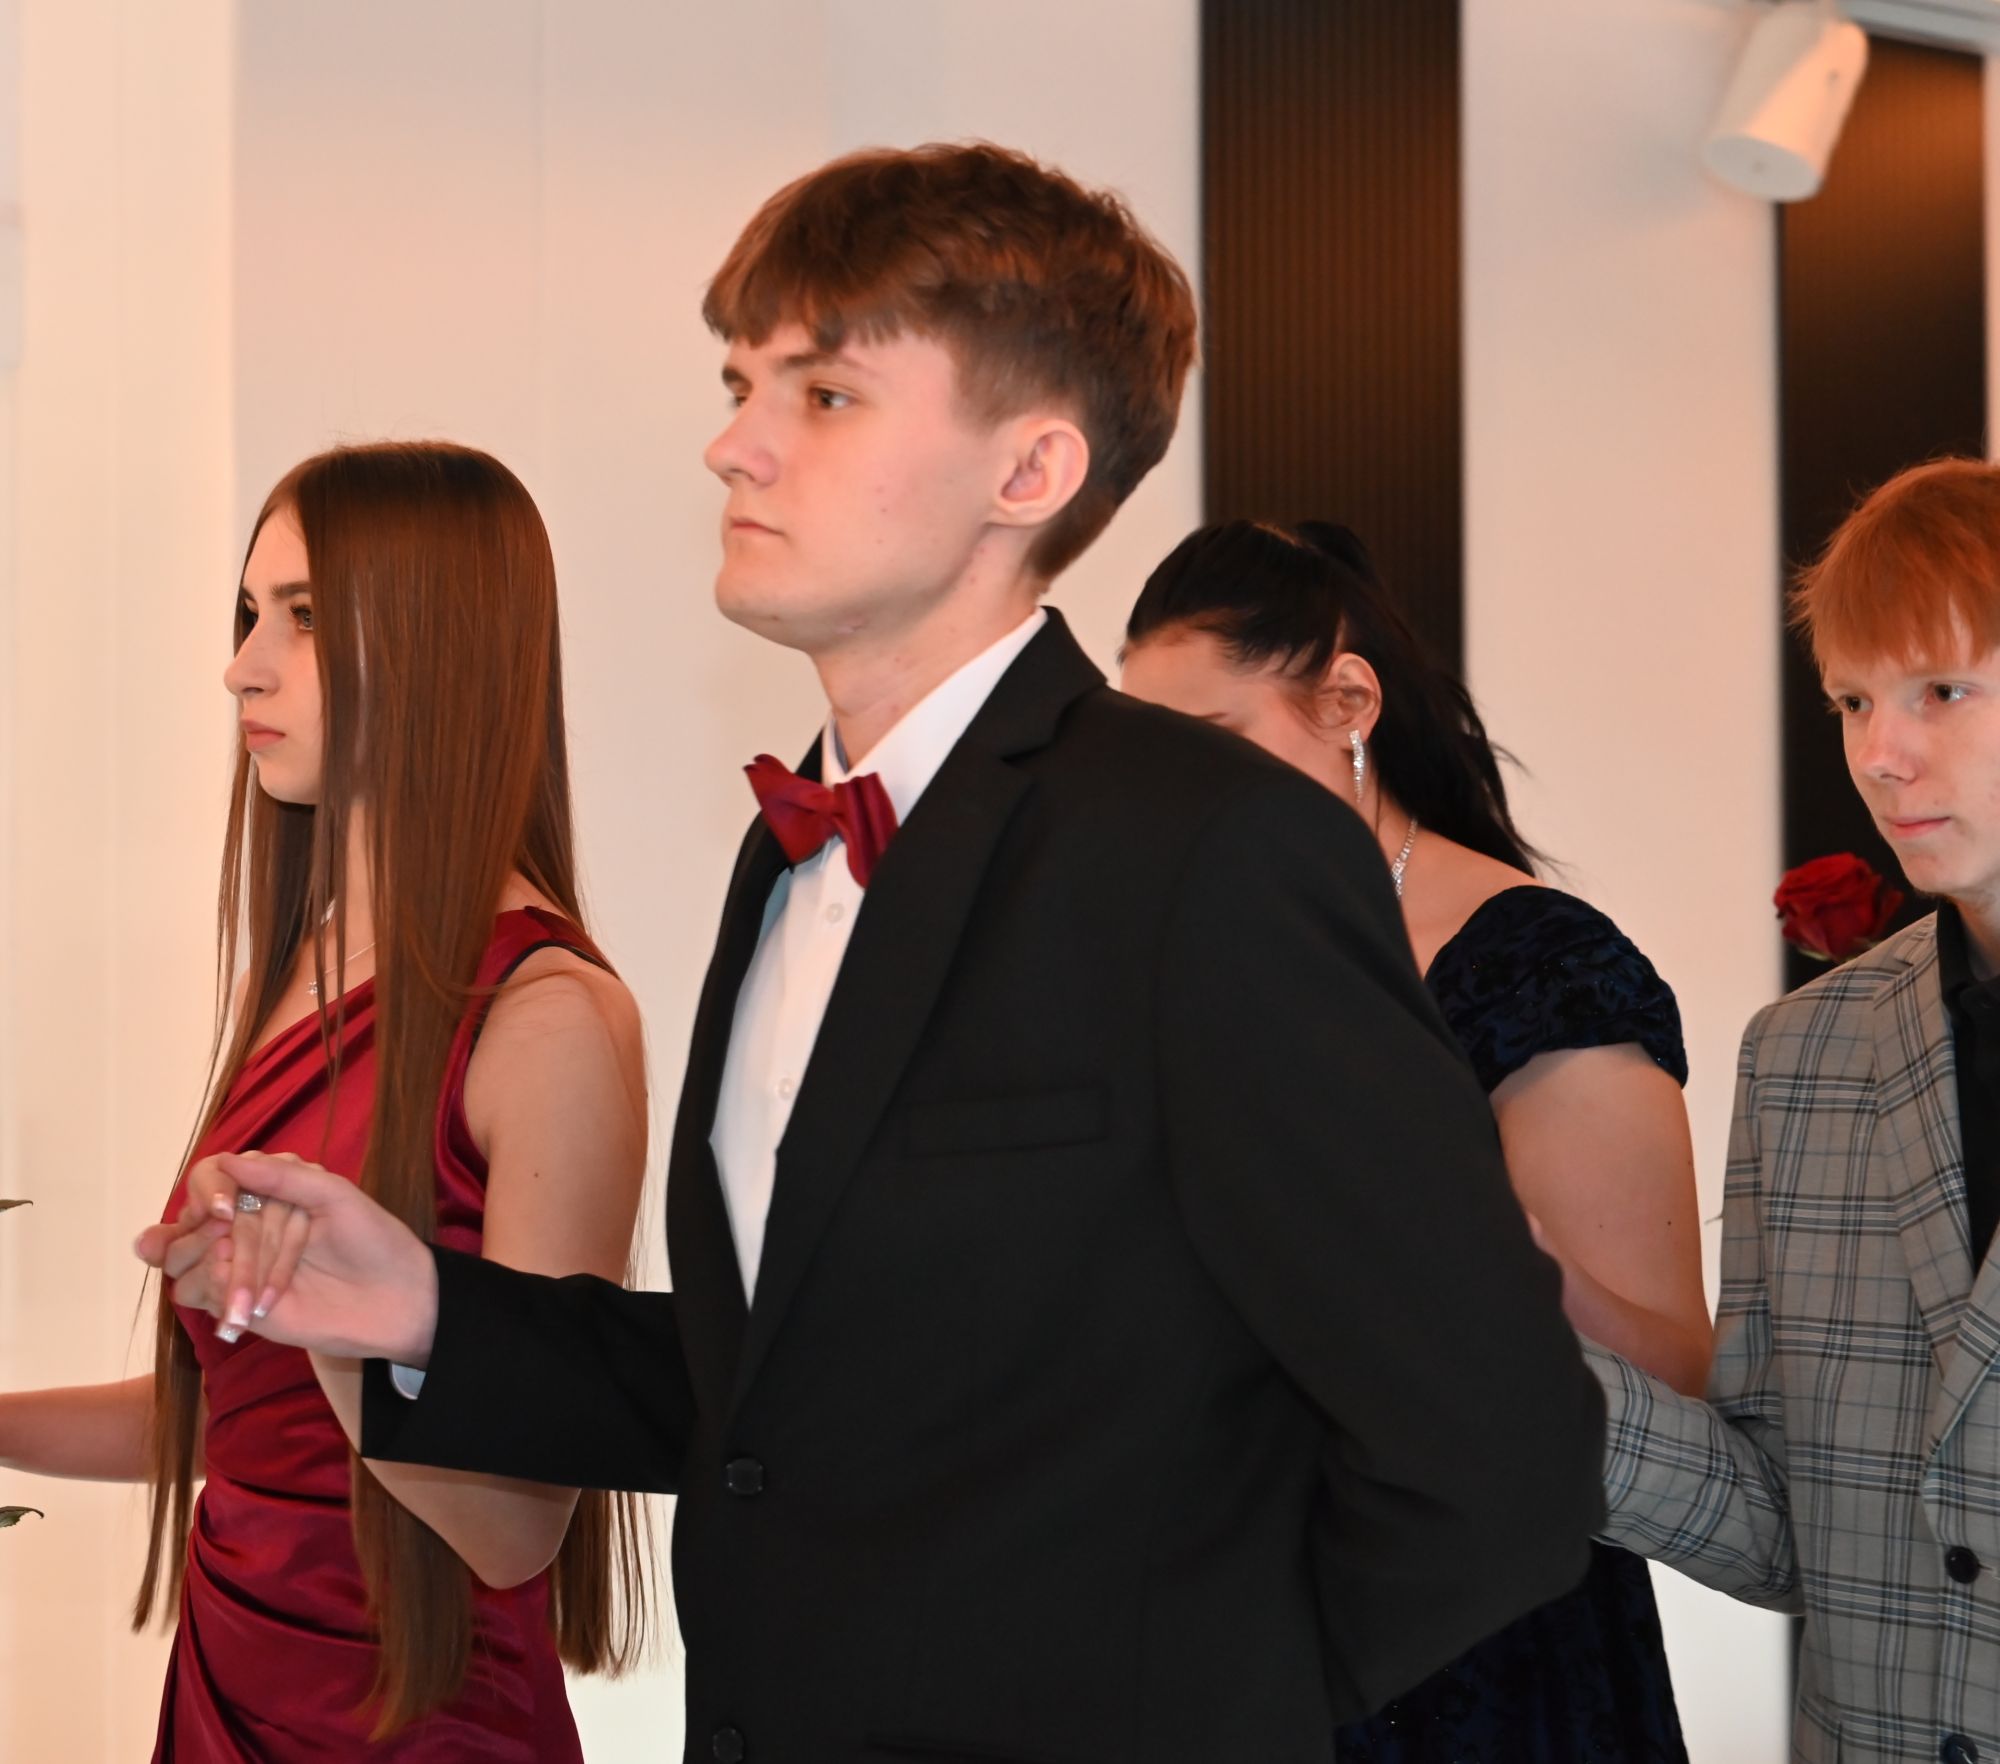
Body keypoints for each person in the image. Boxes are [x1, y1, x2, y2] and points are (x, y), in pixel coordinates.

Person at [149, 144, 1604, 1763]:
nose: (734, 442)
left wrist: (1187, 1701)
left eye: (825, 394)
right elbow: (770, 1386)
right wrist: (423, 1304)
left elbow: (1499, 1448)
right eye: (740, 383)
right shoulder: (784, 861)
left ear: (1030, 468)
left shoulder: (1211, 845)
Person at [22, 441, 653, 1760]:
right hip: (227, 1690)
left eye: (304, 618)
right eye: (249, 614)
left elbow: (516, 1529)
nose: (242, 667)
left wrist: (337, 1327)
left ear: (440, 643)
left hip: (417, 1727)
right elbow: (247, 1422)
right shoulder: (306, 968)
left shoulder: (547, 1019)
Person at [1120, 517, 1711, 1762]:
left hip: (1477, 1637)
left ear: (1347, 704)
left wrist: (1512, 1264)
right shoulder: (1161, 959)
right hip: (1213, 1617)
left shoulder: (1538, 964)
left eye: (1212, 744)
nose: (1172, 800)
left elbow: (1672, 1369)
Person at [1558, 455, 2000, 1764]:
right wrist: (1511, 1355)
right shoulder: (1805, 1056)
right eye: (1851, 701)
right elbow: (1782, 1528)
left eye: (1940, 691)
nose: (1878, 755)